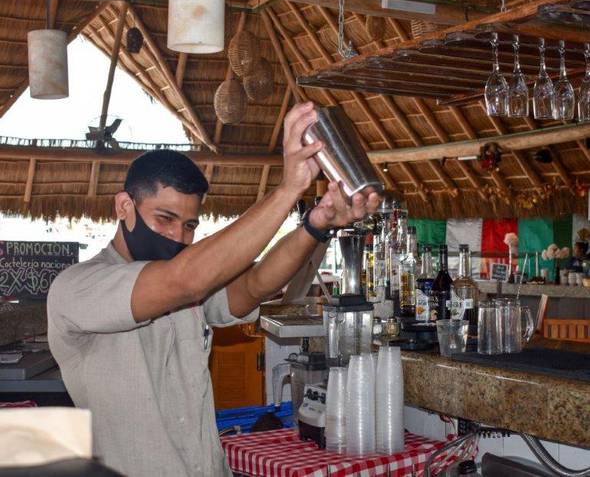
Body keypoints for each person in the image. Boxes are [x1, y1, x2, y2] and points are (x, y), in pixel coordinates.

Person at [47, 102, 380, 477]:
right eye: (164, 219)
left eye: (189, 225)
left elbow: (255, 284)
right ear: (125, 206)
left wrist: (316, 224)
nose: (177, 236)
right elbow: (184, 280)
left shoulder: (191, 288)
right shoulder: (77, 288)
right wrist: (289, 188)